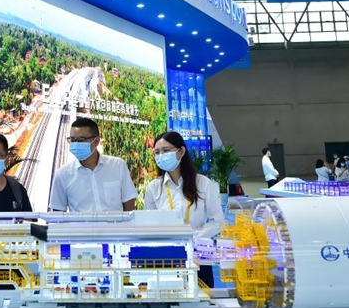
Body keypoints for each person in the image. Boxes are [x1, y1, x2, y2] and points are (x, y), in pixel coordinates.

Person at [144, 131, 224, 287]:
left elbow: (218, 221)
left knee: (203, 302)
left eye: (166, 151)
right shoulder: (154, 188)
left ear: (181, 151)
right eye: (157, 152)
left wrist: (194, 237)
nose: (161, 155)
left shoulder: (202, 183)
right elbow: (149, 224)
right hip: (167, 256)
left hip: (198, 255)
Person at [49, 118, 137, 212]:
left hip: (115, 226)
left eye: (81, 140)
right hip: (81, 227)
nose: (76, 144)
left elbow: (129, 207)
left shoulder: (118, 166)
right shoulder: (63, 174)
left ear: (96, 141)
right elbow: (57, 215)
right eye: (73, 140)